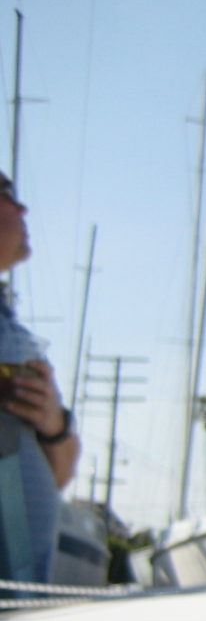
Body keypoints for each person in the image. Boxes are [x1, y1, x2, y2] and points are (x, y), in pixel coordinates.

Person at [0, 171, 79, 581]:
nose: (23, 208)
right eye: (7, 195)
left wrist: (54, 426)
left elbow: (62, 475)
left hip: (20, 605)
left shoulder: (14, 337)